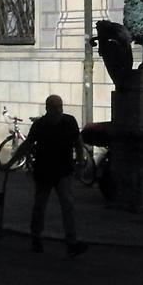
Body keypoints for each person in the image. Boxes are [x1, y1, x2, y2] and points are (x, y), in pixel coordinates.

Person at [13, 95, 88, 256]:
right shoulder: (42, 124)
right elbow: (27, 144)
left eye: (60, 107)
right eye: (55, 107)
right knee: (43, 205)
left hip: (61, 170)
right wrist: (10, 162)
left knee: (65, 206)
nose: (58, 110)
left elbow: (78, 143)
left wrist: (80, 163)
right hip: (46, 170)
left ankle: (70, 241)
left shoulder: (66, 122)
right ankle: (39, 237)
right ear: (48, 108)